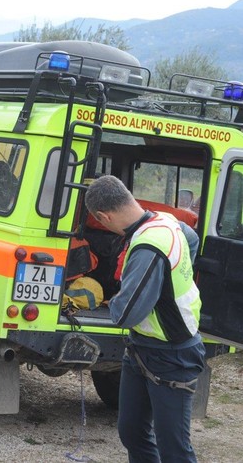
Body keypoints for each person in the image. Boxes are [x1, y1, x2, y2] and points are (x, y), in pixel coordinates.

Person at [84, 175, 206, 463]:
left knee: (174, 449)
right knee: (132, 433)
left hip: (173, 357)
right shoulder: (163, 220)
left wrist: (114, 302)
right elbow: (192, 238)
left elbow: (127, 313)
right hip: (140, 351)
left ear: (104, 216)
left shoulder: (149, 246)